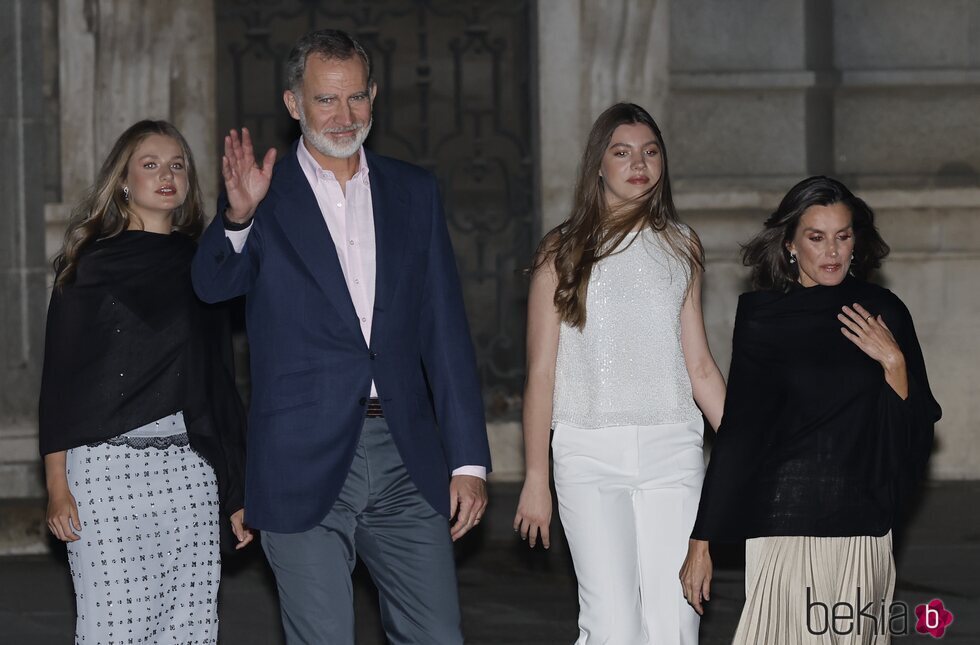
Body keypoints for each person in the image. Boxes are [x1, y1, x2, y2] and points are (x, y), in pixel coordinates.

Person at [191, 29, 492, 644]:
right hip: (300, 458)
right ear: (294, 104)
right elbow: (211, 288)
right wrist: (238, 218)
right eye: (326, 100)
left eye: (356, 98)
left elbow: (445, 332)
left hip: (407, 455)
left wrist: (468, 461)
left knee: (438, 636)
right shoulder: (263, 197)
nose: (344, 115)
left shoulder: (414, 191)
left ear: (374, 97)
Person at [680, 176, 942, 644]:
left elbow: (916, 431)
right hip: (783, 523)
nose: (832, 251)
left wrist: (894, 361)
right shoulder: (763, 317)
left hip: (861, 523)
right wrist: (702, 540)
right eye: (816, 238)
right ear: (790, 245)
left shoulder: (884, 311)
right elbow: (741, 433)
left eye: (843, 236)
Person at [513, 102, 726, 644]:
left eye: (651, 152)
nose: (640, 163)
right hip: (587, 453)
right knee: (612, 627)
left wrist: (750, 451)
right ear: (599, 165)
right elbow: (541, 372)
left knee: (676, 622)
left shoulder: (682, 247)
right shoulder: (560, 252)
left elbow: (699, 366)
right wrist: (536, 478)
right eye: (623, 152)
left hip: (673, 449)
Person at [40, 119, 253, 644]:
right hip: (106, 472)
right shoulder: (88, 268)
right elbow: (61, 381)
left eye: (177, 165)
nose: (166, 175)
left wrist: (236, 490)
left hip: (190, 472)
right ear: (124, 182)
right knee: (114, 627)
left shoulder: (203, 264)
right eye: (150, 164)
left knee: (190, 627)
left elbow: (219, 381)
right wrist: (56, 485)